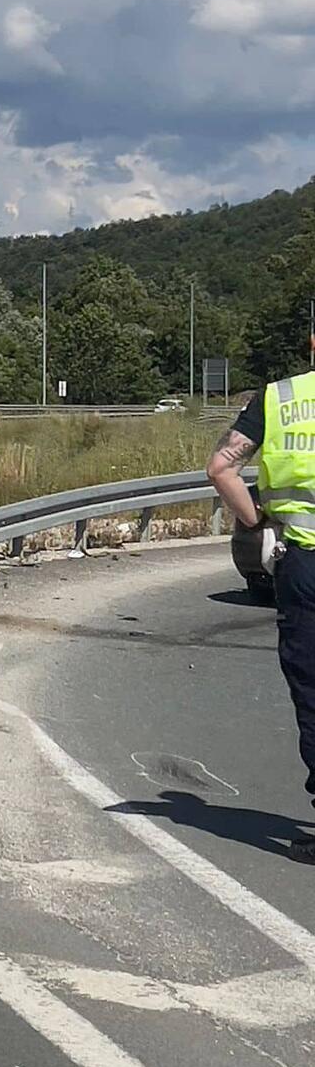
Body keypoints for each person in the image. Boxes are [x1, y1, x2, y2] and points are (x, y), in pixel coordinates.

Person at [207, 356, 315, 862]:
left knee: (313, 693)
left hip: (306, 565)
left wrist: (255, 521)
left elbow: (221, 467)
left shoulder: (281, 397)